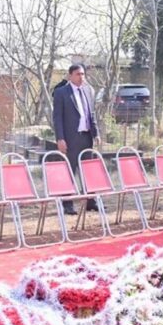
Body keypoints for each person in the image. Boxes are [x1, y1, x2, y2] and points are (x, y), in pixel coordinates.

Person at [52, 65, 100, 216]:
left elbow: (91, 114)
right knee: (70, 170)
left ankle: (90, 201)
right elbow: (57, 117)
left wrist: (96, 133)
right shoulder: (61, 92)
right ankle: (67, 203)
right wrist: (60, 138)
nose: (81, 77)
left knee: (88, 171)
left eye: (83, 74)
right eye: (78, 74)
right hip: (70, 138)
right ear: (70, 75)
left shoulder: (89, 90)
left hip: (86, 137)